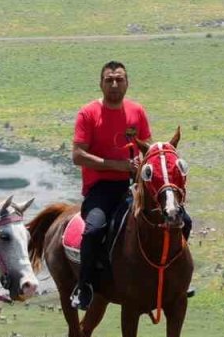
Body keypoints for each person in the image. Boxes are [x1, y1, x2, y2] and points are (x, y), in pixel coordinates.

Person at [70, 61, 193, 310]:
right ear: (101, 83)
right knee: (94, 230)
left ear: (127, 83)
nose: (114, 84)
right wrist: (119, 165)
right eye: (109, 80)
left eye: (119, 79)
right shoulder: (88, 113)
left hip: (132, 186)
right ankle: (86, 286)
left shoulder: (137, 112)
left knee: (184, 221)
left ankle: (176, 276)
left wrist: (145, 162)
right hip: (100, 189)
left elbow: (146, 146)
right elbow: (78, 155)